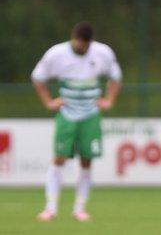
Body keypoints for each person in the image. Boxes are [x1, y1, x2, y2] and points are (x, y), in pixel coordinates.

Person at [31, 22, 122, 222]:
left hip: (90, 115)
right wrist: (48, 101)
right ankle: (51, 208)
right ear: (73, 38)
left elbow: (116, 77)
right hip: (67, 114)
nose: (83, 48)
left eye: (86, 45)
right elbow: (38, 77)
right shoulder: (57, 54)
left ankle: (80, 208)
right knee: (59, 159)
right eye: (80, 44)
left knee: (86, 160)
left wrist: (109, 101)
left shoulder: (103, 53)